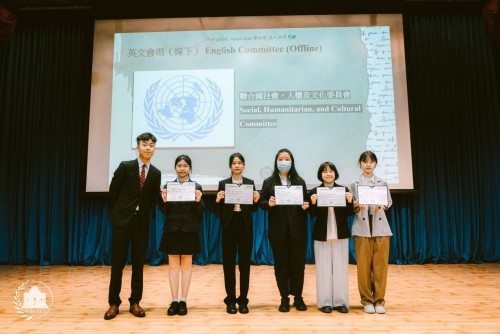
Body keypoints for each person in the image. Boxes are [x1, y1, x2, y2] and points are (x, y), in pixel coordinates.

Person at [104, 132, 162, 320]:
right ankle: (114, 303)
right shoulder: (126, 167)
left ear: (154, 149)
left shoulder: (155, 173)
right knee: (118, 264)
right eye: (144, 144)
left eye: (151, 145)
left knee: (138, 264)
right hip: (122, 221)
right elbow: (113, 192)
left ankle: (135, 302)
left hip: (141, 223)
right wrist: (119, 213)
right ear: (137, 146)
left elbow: (153, 199)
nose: (148, 148)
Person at [258, 148, 309, 312]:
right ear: (276, 162)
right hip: (278, 230)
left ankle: (298, 297)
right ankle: (284, 298)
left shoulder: (299, 181)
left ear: (292, 161)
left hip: (297, 230)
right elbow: (262, 202)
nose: (283, 161)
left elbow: (306, 202)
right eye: (280, 159)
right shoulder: (268, 182)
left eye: (286, 158)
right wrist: (269, 204)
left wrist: (305, 205)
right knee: (281, 265)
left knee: (298, 265)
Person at [215, 153, 260, 314]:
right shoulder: (223, 184)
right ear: (230, 166)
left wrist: (256, 200)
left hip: (245, 226)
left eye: (239, 163)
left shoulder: (250, 183)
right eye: (234, 163)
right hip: (229, 226)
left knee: (245, 264)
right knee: (228, 264)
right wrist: (218, 200)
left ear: (244, 165)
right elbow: (217, 212)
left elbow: (254, 209)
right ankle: (231, 300)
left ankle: (243, 300)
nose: (236, 166)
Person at [159, 154, 204, 316]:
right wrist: (163, 201)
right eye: (179, 166)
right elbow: (164, 211)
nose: (182, 168)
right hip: (172, 229)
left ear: (190, 168)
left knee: (186, 266)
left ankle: (184, 300)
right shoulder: (168, 185)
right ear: (175, 168)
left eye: (185, 166)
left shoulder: (196, 186)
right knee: (172, 267)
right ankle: (174, 300)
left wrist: (199, 202)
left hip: (189, 230)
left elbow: (199, 213)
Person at [349, 151, 393, 314]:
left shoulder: (383, 182)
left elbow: (388, 201)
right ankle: (367, 300)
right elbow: (350, 205)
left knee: (380, 266)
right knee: (363, 267)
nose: (368, 164)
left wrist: (383, 204)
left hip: (381, 227)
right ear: (360, 164)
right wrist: (356, 204)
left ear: (375, 164)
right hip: (362, 228)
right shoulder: (354, 183)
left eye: (372, 161)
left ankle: (380, 300)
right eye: (365, 161)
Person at [309, 162, 354, 314]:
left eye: (331, 171)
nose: (328, 174)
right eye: (324, 171)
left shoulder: (344, 190)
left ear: (335, 173)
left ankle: (341, 302)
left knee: (341, 269)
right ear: (320, 174)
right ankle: (325, 302)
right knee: (323, 269)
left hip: (340, 234)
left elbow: (349, 213)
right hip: (322, 235)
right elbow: (312, 214)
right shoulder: (315, 191)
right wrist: (313, 203)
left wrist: (350, 202)